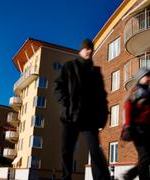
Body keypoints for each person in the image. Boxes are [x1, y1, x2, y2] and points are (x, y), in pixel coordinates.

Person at [54, 39, 110, 180]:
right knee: (67, 151)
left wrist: (102, 116)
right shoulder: (69, 67)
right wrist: (66, 103)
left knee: (95, 150)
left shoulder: (96, 73)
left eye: (91, 48)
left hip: (89, 118)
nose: (89, 50)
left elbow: (102, 97)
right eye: (86, 48)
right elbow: (58, 87)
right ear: (80, 51)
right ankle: (66, 177)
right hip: (70, 116)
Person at [122, 68, 150, 180]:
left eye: (149, 76)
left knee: (146, 157)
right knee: (144, 156)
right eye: (146, 76)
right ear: (140, 78)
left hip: (147, 129)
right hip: (137, 129)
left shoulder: (148, 92)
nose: (148, 78)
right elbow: (127, 108)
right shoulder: (136, 92)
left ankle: (130, 174)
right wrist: (128, 126)